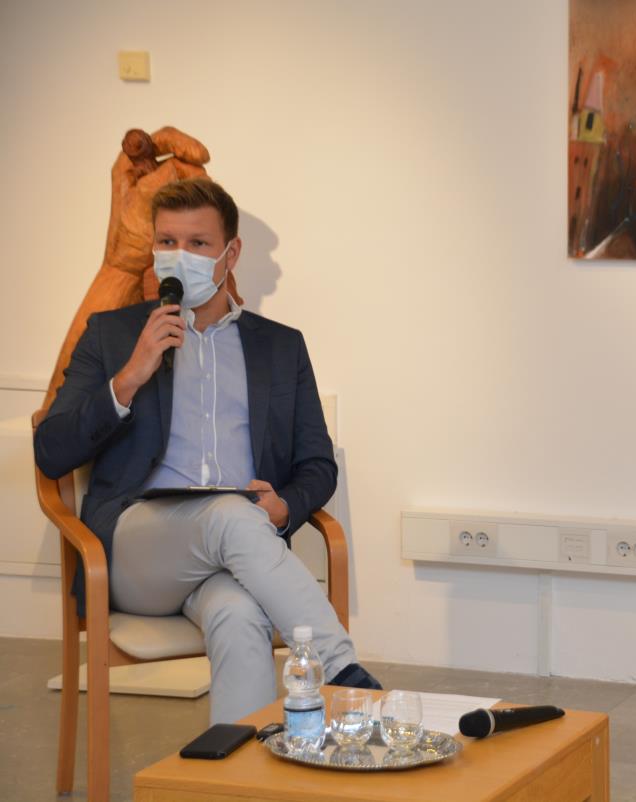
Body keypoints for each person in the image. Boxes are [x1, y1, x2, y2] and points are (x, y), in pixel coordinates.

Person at [35, 177, 380, 724]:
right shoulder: (111, 335)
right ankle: (342, 672)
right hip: (136, 552)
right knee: (229, 514)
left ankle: (239, 763)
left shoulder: (281, 346)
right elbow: (51, 451)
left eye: (197, 243)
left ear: (230, 253)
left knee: (240, 616)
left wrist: (285, 507)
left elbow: (317, 463)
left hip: (233, 556)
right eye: (167, 242)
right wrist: (130, 377)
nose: (180, 256)